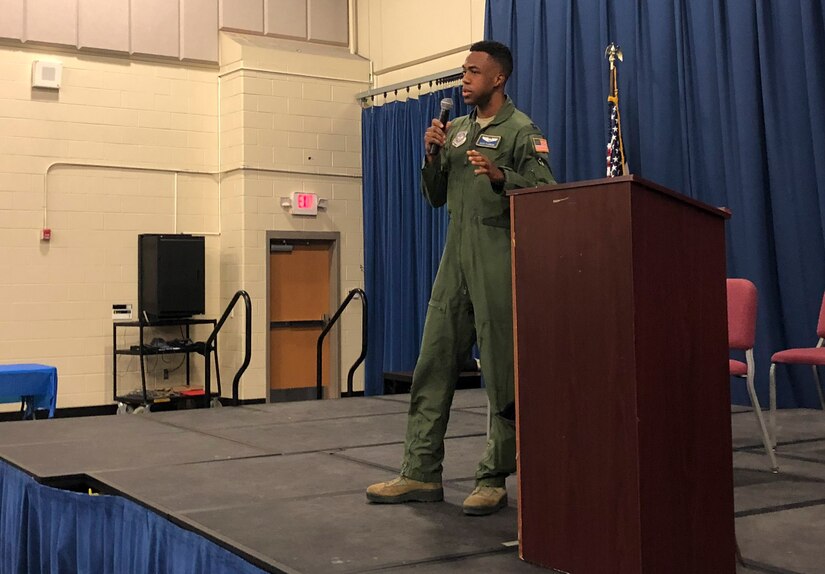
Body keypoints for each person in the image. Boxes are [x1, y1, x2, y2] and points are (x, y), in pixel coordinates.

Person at [367, 41, 556, 516]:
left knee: (500, 371)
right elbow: (434, 197)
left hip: (498, 258)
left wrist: (500, 177)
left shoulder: (521, 130)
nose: (465, 79)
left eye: (475, 71)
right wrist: (431, 156)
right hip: (455, 258)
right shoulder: (455, 133)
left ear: (499, 79)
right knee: (432, 362)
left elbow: (547, 194)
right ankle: (420, 472)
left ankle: (493, 477)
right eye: (463, 71)